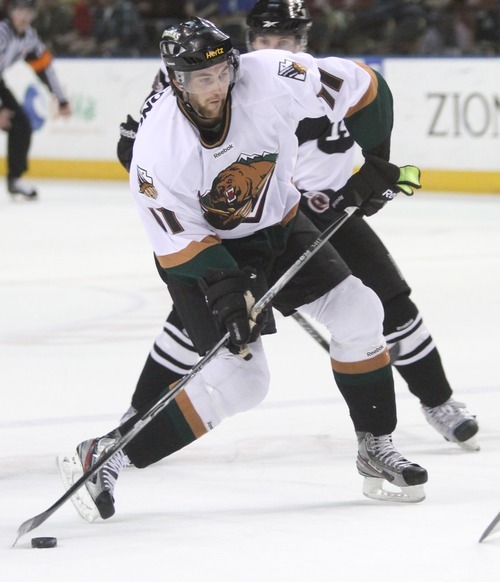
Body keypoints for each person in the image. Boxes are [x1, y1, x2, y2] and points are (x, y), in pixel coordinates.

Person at [58, 16, 426, 524]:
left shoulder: (273, 74)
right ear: (176, 81)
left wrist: (375, 163)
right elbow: (178, 241)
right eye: (202, 79)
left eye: (223, 74)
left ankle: (374, 446)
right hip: (203, 256)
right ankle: (107, 453)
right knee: (245, 380)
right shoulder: (158, 147)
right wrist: (229, 292)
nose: (217, 88)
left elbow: (366, 87)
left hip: (280, 222)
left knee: (360, 310)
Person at [118, 0, 479, 454]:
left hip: (317, 207)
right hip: (237, 221)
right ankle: (138, 419)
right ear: (249, 42)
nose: (274, 47)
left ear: (301, 42)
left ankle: (437, 402)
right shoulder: (196, 86)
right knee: (200, 322)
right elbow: (151, 159)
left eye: (285, 40)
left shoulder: (287, 76)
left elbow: (364, 92)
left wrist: (376, 165)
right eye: (265, 39)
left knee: (382, 301)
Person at [0, 0, 71, 199]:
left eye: (29, 13)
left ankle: (15, 179)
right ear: (11, 12)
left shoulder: (29, 37)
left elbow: (44, 68)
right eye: (20, 12)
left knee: (21, 124)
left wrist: (62, 99)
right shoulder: (2, 33)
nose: (24, 18)